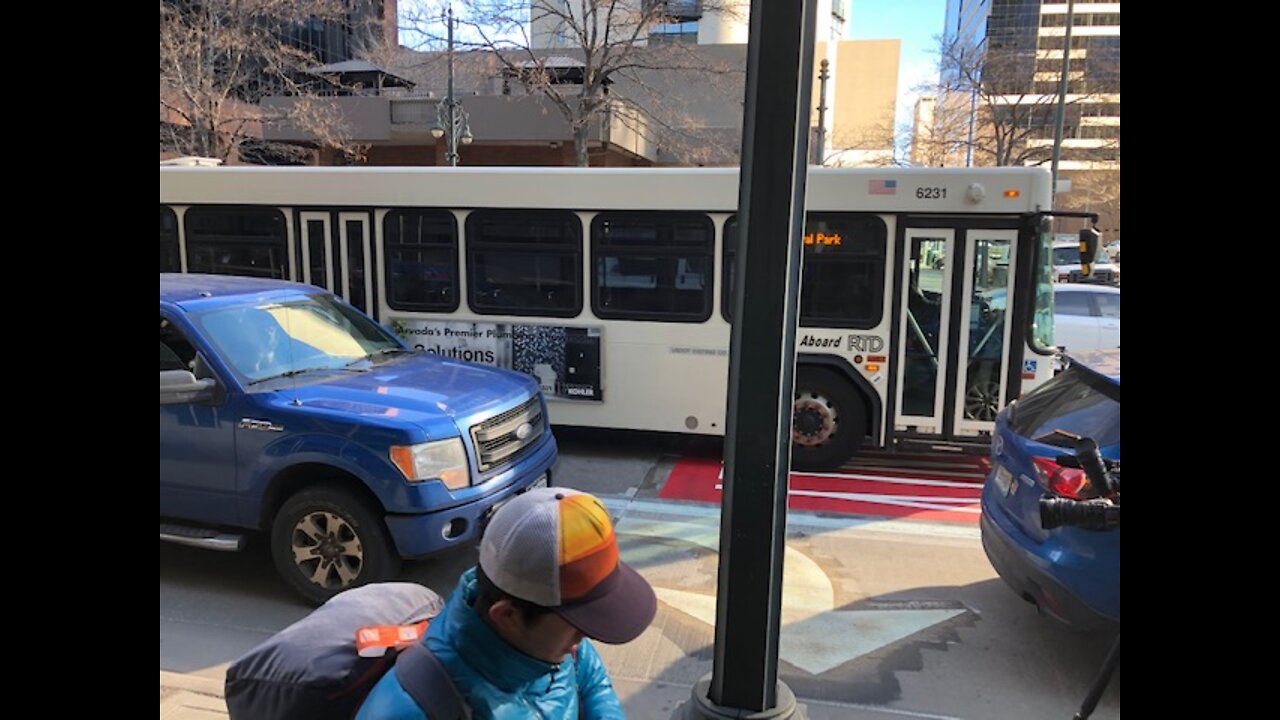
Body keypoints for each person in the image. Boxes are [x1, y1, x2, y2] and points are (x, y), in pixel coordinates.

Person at [357, 487, 657, 719]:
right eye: (578, 627)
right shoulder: (409, 709)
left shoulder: (554, 636)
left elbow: (591, 679)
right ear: (507, 615)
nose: (586, 639)